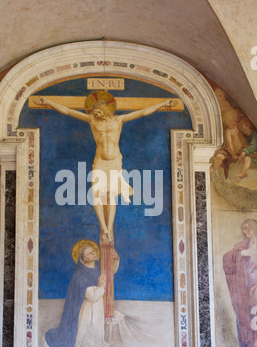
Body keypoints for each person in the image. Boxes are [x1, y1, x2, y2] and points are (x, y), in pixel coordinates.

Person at [34, 92, 173, 243]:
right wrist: (48, 102)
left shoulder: (119, 120)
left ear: (105, 109)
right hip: (100, 161)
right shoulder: (92, 120)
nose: (97, 114)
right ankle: (103, 228)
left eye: (99, 111)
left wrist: (162, 104)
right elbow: (68, 111)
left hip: (114, 162)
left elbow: (142, 112)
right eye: (95, 113)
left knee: (111, 195)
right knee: (97, 194)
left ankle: (109, 228)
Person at [45, 244, 119, 347]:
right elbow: (92, 297)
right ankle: (87, 344)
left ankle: (97, 342)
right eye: (90, 253)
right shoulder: (80, 276)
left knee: (97, 324)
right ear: (84, 259)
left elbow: (110, 272)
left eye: (93, 251)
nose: (94, 253)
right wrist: (102, 286)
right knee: (88, 328)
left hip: (98, 305)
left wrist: (116, 259)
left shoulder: (99, 266)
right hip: (87, 308)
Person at [223, 219, 257, 347]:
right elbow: (226, 259)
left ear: (255, 227)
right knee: (245, 316)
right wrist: (242, 253)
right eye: (243, 229)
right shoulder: (242, 246)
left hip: (256, 286)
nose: (245, 231)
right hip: (244, 288)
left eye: (248, 228)